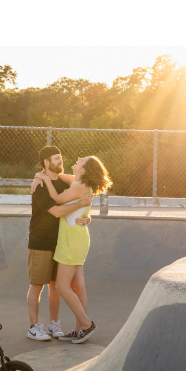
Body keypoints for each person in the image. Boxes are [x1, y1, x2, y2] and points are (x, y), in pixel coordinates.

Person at [33, 156, 112, 343]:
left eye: (82, 160)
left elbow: (57, 198)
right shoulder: (80, 182)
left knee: (61, 286)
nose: (78, 158)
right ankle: (79, 331)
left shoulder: (79, 186)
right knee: (78, 287)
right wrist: (43, 175)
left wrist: (43, 179)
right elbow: (62, 178)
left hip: (71, 241)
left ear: (84, 170)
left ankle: (86, 325)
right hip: (78, 237)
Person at [27, 146, 93, 342]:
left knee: (55, 286)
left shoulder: (67, 181)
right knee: (37, 285)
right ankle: (34, 326)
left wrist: (87, 216)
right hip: (41, 240)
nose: (61, 161)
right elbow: (56, 211)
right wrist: (39, 176)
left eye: (61, 158)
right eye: (56, 159)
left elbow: (87, 189)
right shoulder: (39, 185)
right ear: (46, 162)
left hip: (62, 242)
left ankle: (54, 324)